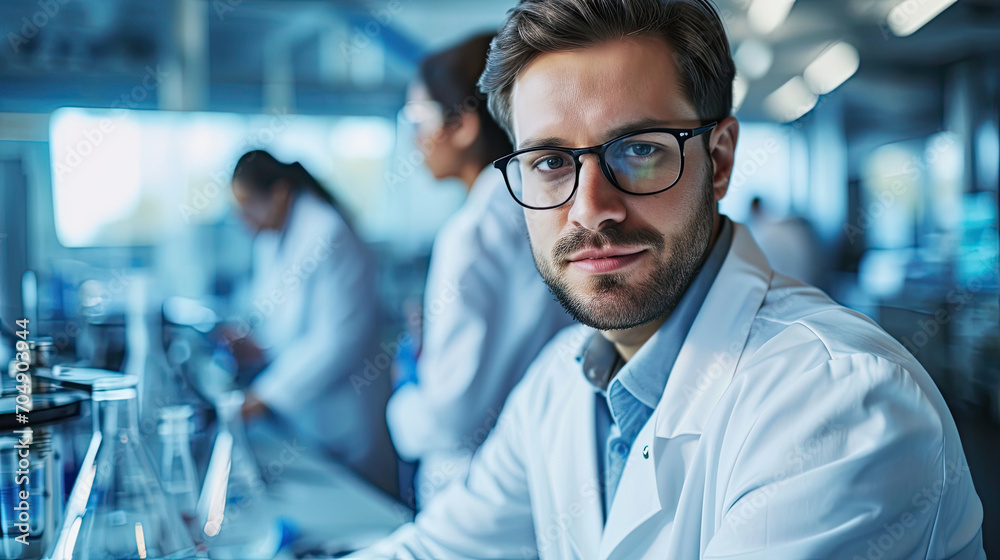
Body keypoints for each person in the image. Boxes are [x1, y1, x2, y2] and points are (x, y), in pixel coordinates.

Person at [355, 0, 985, 557]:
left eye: (639, 149)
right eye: (550, 161)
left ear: (719, 161)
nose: (589, 207)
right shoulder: (564, 380)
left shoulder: (838, 404)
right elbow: (440, 547)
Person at [387, 33, 574, 508]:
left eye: (417, 119)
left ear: (464, 125)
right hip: (548, 471)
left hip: (477, 488)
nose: (414, 139)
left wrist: (407, 387)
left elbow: (450, 419)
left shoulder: (470, 231)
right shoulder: (541, 200)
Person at [226, 150, 397, 496]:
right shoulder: (270, 238)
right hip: (301, 415)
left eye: (248, 206)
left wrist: (265, 395)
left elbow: (338, 341)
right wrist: (255, 344)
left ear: (279, 193)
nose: (244, 220)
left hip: (343, 414)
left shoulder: (328, 232)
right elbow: (279, 318)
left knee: (359, 514)